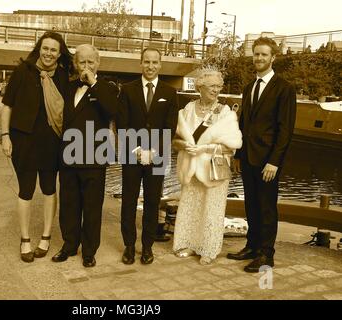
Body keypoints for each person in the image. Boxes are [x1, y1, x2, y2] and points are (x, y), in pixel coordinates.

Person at [1, 31, 73, 263]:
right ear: (39, 49)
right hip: (24, 141)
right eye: (45, 48)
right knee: (26, 190)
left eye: (53, 49)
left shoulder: (62, 76)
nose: (48, 53)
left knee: (50, 189)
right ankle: (24, 240)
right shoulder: (23, 71)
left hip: (52, 142)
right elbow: (7, 106)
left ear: (59, 53)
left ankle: (46, 236)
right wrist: (5, 136)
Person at [227, 37, 296, 272]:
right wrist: (238, 155)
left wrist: (274, 162)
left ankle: (267, 255)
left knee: (267, 208)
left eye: (264, 54)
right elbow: (244, 123)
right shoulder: (249, 87)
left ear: (273, 57)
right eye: (256, 54)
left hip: (268, 161)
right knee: (251, 205)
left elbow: (285, 130)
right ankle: (252, 247)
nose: (259, 58)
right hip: (248, 157)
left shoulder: (284, 88)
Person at [52, 44, 119, 268]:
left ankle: (89, 251)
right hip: (69, 155)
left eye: (91, 62)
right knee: (69, 204)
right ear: (75, 64)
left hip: (95, 157)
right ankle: (69, 245)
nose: (86, 66)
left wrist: (93, 83)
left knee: (91, 207)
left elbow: (112, 111)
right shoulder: (68, 88)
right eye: (82, 62)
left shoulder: (107, 88)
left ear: (98, 64)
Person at [172, 68, 242, 265]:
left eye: (219, 86)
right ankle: (188, 243)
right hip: (191, 165)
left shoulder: (225, 112)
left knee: (212, 207)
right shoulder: (187, 109)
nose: (216, 90)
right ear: (200, 87)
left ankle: (208, 248)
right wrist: (184, 145)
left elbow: (231, 146)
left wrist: (205, 147)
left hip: (213, 167)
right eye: (212, 86)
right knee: (191, 204)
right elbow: (176, 138)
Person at [117, 47, 178, 265]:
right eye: (146, 62)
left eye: (154, 62)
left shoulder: (170, 93)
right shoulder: (127, 89)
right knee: (128, 202)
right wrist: (137, 150)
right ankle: (130, 246)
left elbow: (170, 127)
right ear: (140, 64)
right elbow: (122, 124)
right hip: (131, 155)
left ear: (160, 64)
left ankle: (148, 247)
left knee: (153, 202)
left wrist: (153, 151)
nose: (150, 66)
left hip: (158, 157)